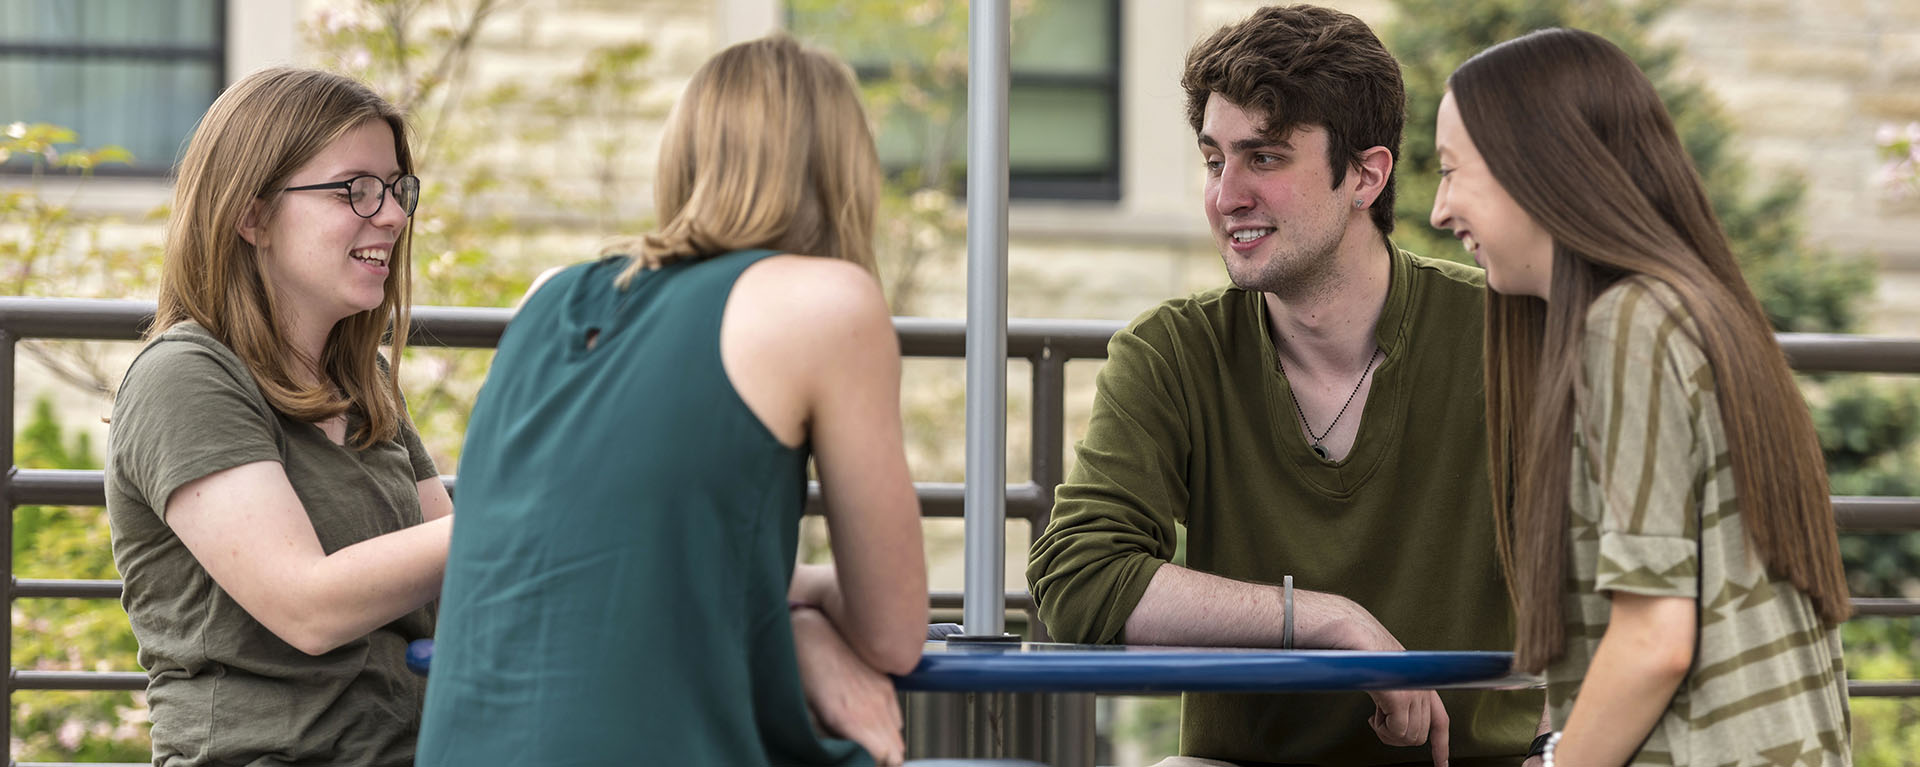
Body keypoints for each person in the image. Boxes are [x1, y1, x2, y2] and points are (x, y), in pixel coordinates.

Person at [1027, 6, 1542, 766]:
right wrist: (1328, 621)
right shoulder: (1171, 350)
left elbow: (1621, 598)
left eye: (1263, 158)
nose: (1226, 195)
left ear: (1365, 175)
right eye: (1213, 160)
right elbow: (1079, 576)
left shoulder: (1507, 338)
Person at [416, 35, 930, 767]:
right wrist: (808, 618)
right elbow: (894, 630)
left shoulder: (546, 296)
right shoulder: (827, 302)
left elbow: (629, 544)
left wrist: (795, 608)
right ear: (844, 168)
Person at [1430, 27, 1853, 766]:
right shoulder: (1691, 308)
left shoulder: (1630, 325)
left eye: (1450, 171)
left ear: (1538, 166)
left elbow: (1654, 641)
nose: (1438, 209)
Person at [105, 67, 451, 766]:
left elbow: (459, 571)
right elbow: (309, 606)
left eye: (395, 188)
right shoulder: (184, 376)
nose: (391, 214)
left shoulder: (366, 383)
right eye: (355, 188)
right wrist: (529, 506)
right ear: (251, 213)